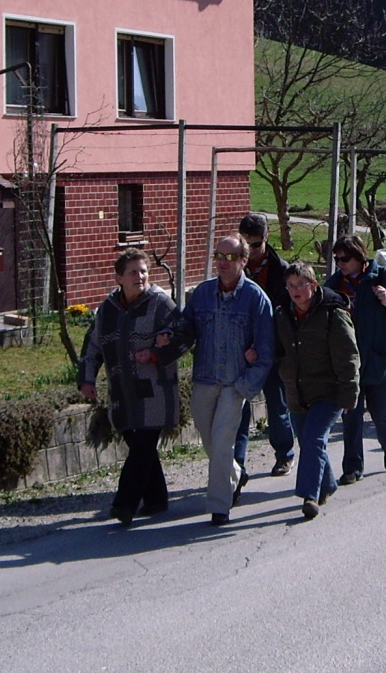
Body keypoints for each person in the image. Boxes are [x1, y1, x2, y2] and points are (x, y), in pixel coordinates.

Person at [77, 248, 184, 526]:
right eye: (133, 272)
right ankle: (156, 499)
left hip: (155, 391)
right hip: (123, 393)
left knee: (143, 446)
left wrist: (157, 352)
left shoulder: (161, 303)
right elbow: (93, 345)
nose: (140, 277)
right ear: (119, 278)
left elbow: (183, 335)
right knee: (139, 446)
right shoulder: (108, 310)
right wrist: (87, 379)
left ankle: (124, 504)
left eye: (144, 271)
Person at [173, 233, 275, 525]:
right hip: (204, 380)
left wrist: (244, 387)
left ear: (244, 260)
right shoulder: (202, 293)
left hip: (234, 384)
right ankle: (237, 474)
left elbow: (266, 351)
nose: (222, 262)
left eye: (230, 257)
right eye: (218, 256)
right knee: (210, 442)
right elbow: (185, 328)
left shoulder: (256, 298)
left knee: (222, 444)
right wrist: (169, 338)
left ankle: (220, 506)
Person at [326, 235, 386, 485]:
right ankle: (352, 468)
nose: (340, 263)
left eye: (345, 258)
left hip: (378, 358)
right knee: (351, 418)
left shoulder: (383, 276)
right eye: (337, 259)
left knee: (382, 415)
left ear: (359, 257)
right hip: (348, 362)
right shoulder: (335, 284)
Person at [276, 261, 360, 519]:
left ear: (313, 285)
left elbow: (348, 356)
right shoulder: (283, 314)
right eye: (290, 286)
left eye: (301, 285)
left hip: (329, 392)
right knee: (308, 442)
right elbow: (277, 349)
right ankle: (327, 484)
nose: (295, 291)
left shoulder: (332, 314)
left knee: (313, 439)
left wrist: (349, 393)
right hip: (298, 391)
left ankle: (309, 496)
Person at [233, 214, 295, 481]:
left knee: (277, 406)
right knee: (238, 410)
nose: (251, 251)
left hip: (273, 352)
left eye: (256, 245)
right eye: (246, 245)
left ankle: (285, 454)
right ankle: (237, 467)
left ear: (267, 238)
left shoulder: (282, 270)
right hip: (241, 352)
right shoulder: (234, 268)